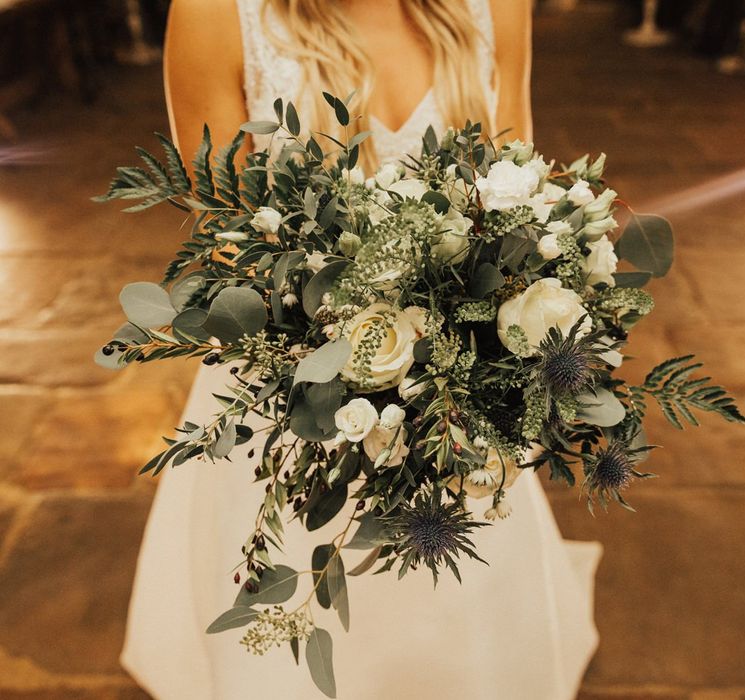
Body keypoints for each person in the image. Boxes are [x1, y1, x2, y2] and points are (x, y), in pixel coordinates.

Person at [121, 1, 602, 698]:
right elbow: (226, 243)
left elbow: (520, 198)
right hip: (297, 403)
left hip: (454, 405)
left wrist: (484, 355)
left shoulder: (497, 6)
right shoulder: (217, 14)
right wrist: (355, 366)